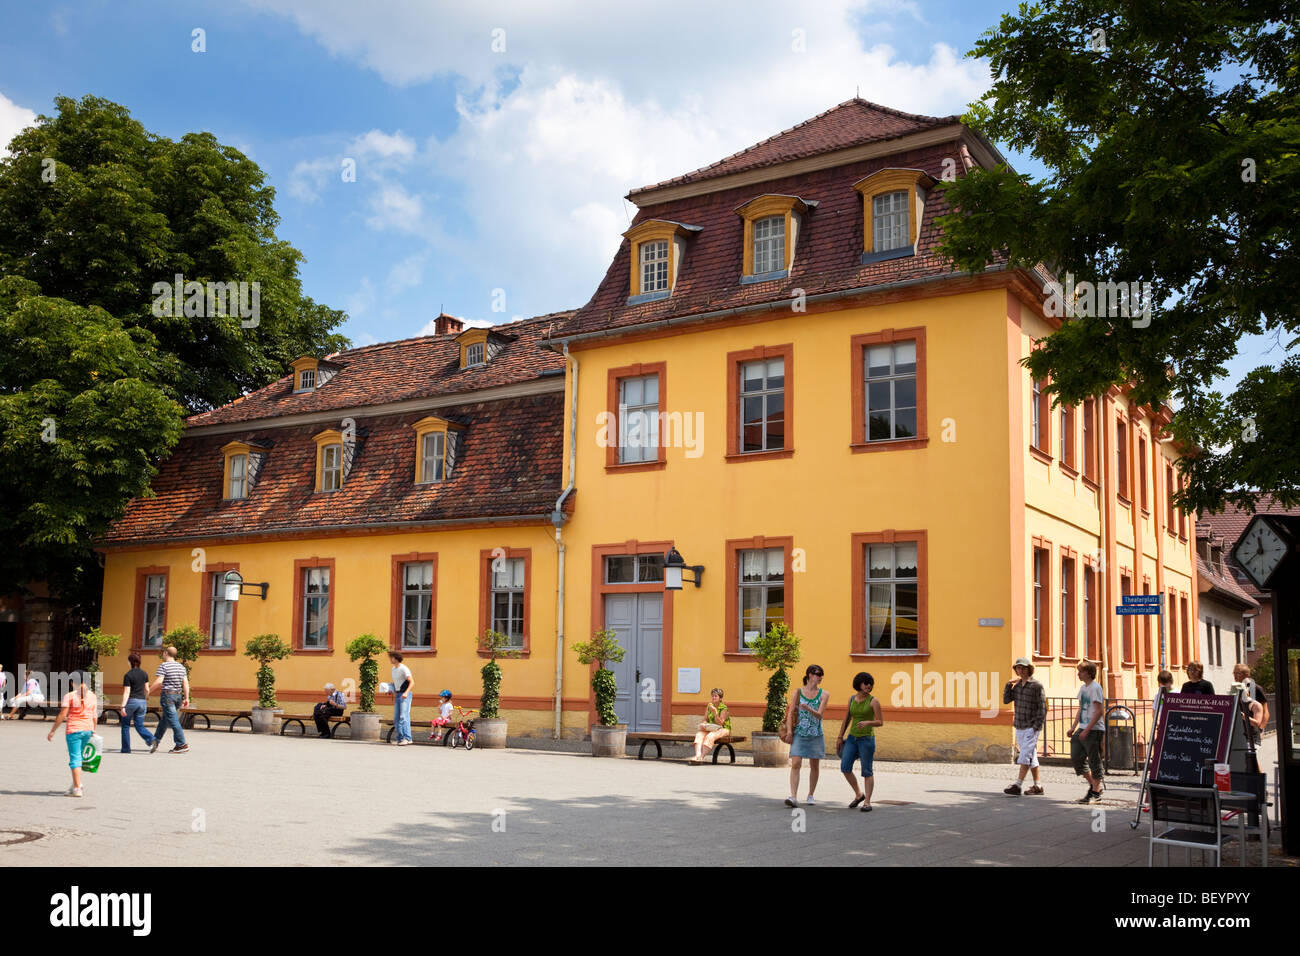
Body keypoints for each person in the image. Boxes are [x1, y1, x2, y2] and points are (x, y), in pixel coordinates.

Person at [837, 672, 883, 810]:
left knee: (867, 771)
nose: (869, 685)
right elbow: (847, 718)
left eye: (871, 683)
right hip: (852, 738)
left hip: (867, 739)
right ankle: (859, 794)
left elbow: (880, 722)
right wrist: (840, 736)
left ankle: (867, 802)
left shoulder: (873, 701)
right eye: (866, 683)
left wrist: (868, 723)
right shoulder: (852, 699)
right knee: (845, 767)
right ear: (859, 684)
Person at [784, 664, 827, 807]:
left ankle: (810, 794)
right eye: (817, 674)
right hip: (799, 733)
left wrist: (808, 708)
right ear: (809, 675)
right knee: (796, 763)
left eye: (821, 675)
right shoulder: (798, 692)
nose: (820, 677)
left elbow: (820, 715)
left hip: (815, 734)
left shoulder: (824, 694)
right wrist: (789, 732)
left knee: (814, 765)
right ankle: (793, 796)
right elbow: (790, 713)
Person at [1002, 658, 1046, 796]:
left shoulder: (1036, 686)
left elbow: (1042, 707)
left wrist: (1036, 726)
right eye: (1018, 668)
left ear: (1029, 669)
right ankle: (1038, 786)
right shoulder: (1017, 686)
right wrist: (1008, 685)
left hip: (1031, 726)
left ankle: (1017, 784)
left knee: (1025, 755)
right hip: (1020, 724)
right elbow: (1006, 700)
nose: (1020, 671)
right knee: (1031, 756)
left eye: (1023, 668)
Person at [47, 677, 97, 797]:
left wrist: (53, 731)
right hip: (88, 729)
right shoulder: (92, 695)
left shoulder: (69, 696)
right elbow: (94, 714)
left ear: (72, 683)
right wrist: (94, 730)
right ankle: (76, 783)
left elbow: (63, 714)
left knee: (75, 759)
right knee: (79, 757)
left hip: (74, 730)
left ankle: (77, 789)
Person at [1067, 661, 1105, 803]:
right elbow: (1081, 708)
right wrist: (1073, 727)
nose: (1078, 674)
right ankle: (1093, 786)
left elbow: (1099, 711)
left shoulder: (1095, 688)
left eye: (1081, 671)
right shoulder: (1083, 688)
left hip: (1094, 729)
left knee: (1095, 760)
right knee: (1076, 757)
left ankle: (1095, 793)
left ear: (1088, 673)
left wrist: (1087, 729)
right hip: (1083, 727)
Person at [148, 646, 190, 754]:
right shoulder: (181, 667)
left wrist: (147, 691)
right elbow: (185, 683)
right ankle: (155, 741)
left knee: (173, 720)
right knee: (165, 720)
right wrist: (186, 697)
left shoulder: (164, 665)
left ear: (166, 653)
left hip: (168, 696)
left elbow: (159, 682)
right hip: (177, 697)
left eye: (163, 653)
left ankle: (181, 744)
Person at [118, 653, 155, 753]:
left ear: (130, 662)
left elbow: (127, 692)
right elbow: (147, 689)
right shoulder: (144, 673)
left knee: (125, 725)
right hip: (142, 702)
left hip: (131, 702)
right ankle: (151, 739)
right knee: (139, 725)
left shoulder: (128, 675)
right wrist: (146, 698)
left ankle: (126, 748)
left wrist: (122, 706)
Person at [689, 688, 731, 764]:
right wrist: (704, 724)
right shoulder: (709, 706)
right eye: (712, 696)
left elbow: (721, 723)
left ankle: (701, 757)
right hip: (711, 728)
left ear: (720, 698)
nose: (713, 698)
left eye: (715, 696)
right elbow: (705, 719)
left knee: (710, 736)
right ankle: (697, 756)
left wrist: (715, 713)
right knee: (699, 734)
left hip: (723, 729)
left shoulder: (724, 708)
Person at [388, 651, 413, 746]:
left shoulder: (404, 669)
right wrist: (391, 689)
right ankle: (400, 739)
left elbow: (412, 682)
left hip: (405, 695)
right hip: (398, 694)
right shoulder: (393, 669)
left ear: (395, 658)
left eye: (391, 657)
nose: (390, 659)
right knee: (396, 718)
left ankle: (407, 738)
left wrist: (406, 692)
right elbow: (397, 683)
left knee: (403, 716)